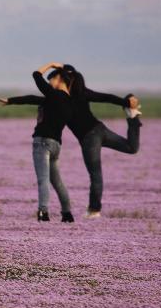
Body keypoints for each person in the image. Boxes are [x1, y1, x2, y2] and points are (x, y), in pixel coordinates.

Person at [58, 63, 141, 218]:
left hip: (89, 139)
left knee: (96, 175)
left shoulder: (62, 100)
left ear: (65, 81)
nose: (53, 83)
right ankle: (133, 117)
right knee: (131, 148)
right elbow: (106, 98)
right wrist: (126, 102)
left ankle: (94, 210)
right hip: (100, 130)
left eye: (56, 79)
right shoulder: (83, 93)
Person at [0, 63, 75, 223]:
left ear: (59, 78)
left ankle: (43, 212)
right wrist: (11, 100)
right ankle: (67, 213)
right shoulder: (69, 102)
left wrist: (52, 65)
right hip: (56, 145)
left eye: (51, 79)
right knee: (57, 181)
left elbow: (36, 75)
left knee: (43, 179)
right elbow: (33, 99)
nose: (50, 83)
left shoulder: (55, 96)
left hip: (42, 143)